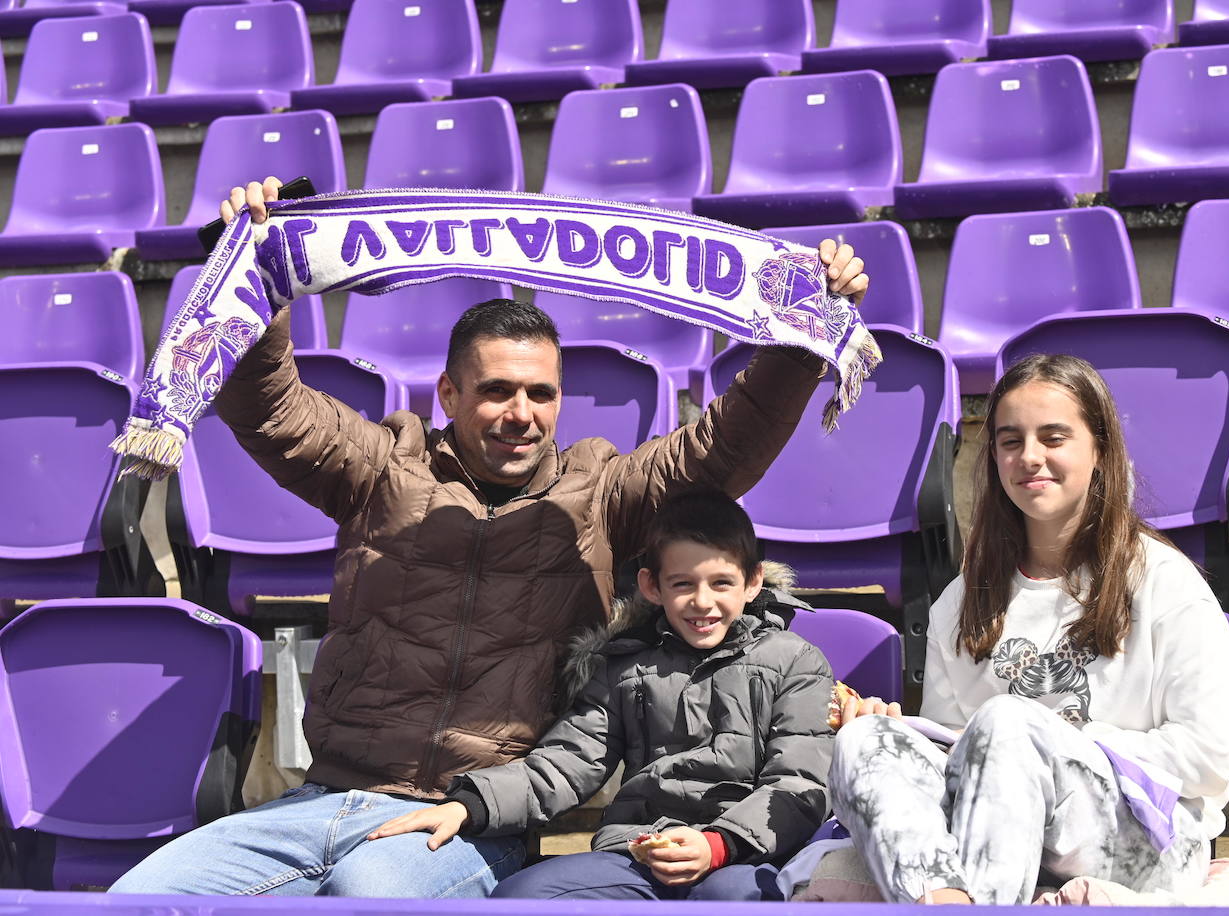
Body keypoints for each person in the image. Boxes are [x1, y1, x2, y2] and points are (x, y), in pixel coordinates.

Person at [109, 179, 868, 898]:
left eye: (541, 393)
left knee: (363, 897)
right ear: (449, 393)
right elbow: (269, 406)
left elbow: (720, 450)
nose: (521, 413)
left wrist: (802, 338)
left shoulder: (602, 496)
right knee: (135, 898)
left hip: (469, 821)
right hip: (316, 801)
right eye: (497, 390)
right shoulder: (379, 468)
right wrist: (259, 277)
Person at [826, 353, 1229, 905]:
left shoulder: (1166, 583)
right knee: (864, 742)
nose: (1030, 457)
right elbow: (958, 767)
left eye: (1054, 437)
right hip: (996, 834)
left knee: (1009, 724)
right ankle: (948, 901)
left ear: (1100, 451)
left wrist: (1051, 744)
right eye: (1011, 440)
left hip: (1148, 841)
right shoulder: (962, 600)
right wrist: (915, 740)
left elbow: (1208, 759)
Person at [367, 488, 833, 901]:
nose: (703, 602)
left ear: (753, 582)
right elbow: (566, 762)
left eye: (721, 583)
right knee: (525, 896)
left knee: (738, 899)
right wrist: (470, 804)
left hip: (744, 857)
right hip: (639, 851)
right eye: (683, 584)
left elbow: (798, 784)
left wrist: (718, 844)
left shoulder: (795, 662)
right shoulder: (624, 667)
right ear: (652, 586)